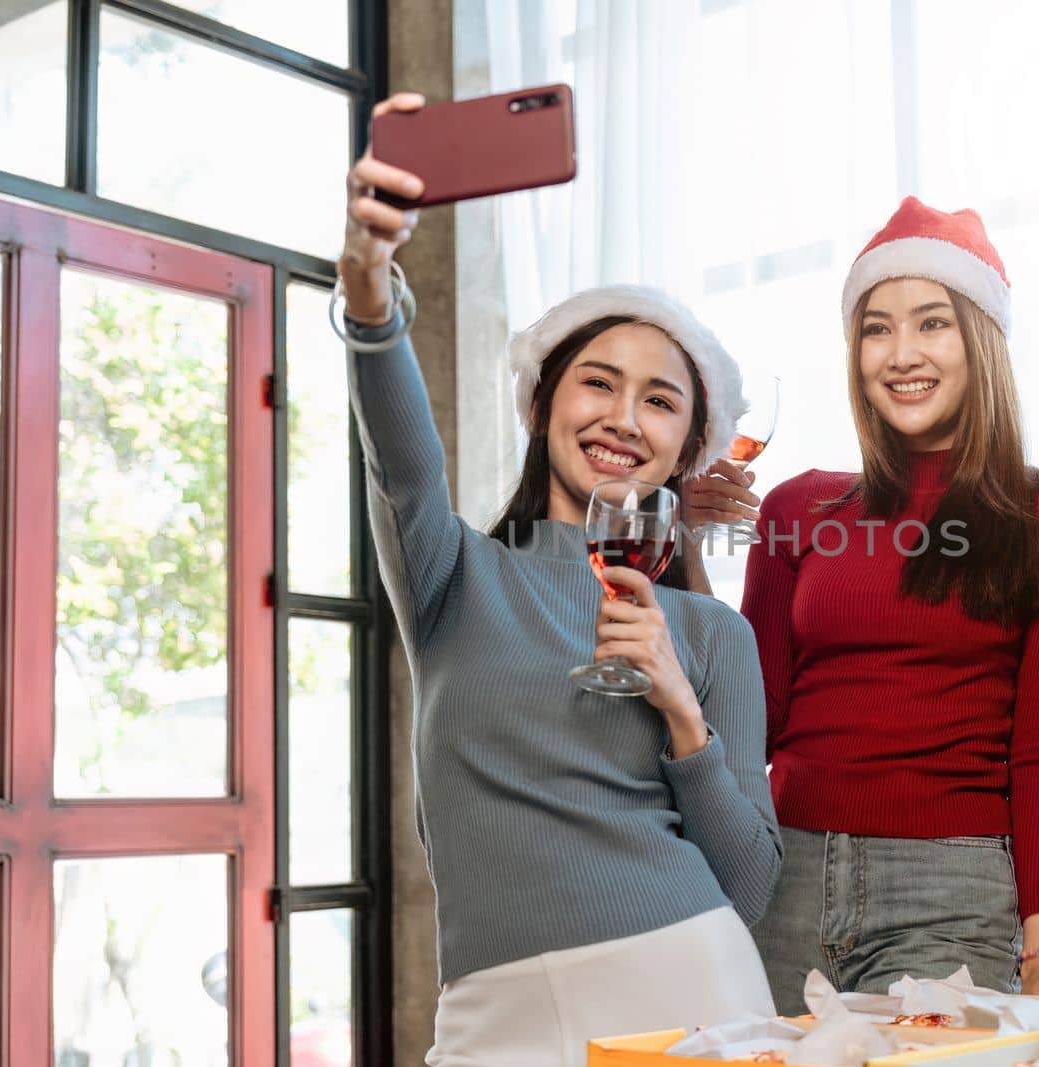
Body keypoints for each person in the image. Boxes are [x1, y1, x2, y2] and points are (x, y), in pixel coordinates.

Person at [338, 93, 782, 1066]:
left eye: (659, 399)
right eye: (597, 380)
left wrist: (680, 714)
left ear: (683, 448)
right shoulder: (454, 574)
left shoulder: (710, 634)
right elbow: (400, 457)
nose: (624, 415)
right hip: (494, 1011)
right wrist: (370, 288)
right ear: (543, 404)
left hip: (689, 987)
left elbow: (750, 883)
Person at [691, 197, 1039, 1012]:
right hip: (781, 879)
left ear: (980, 342)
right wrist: (678, 536)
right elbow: (750, 721)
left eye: (932, 323)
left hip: (950, 894)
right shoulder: (797, 509)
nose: (901, 354)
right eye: (876, 329)